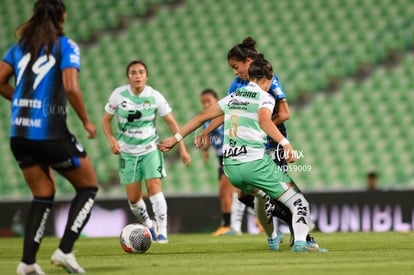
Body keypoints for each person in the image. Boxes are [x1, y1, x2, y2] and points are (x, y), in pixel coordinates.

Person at [159, 56, 326, 252]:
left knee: (262, 199)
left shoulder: (234, 96)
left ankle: (272, 240)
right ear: (268, 78)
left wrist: (175, 138)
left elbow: (201, 116)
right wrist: (286, 143)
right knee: (299, 202)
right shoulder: (266, 98)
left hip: (231, 170)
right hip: (254, 164)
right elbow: (265, 121)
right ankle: (300, 244)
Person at [0, 1, 98, 274]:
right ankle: (65, 250)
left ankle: (28, 263)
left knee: (43, 195)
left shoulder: (18, 47)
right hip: (50, 134)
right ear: (62, 17)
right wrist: (86, 121)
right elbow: (71, 86)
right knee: (88, 186)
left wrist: (21, 102)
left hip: (19, 135)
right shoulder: (65, 45)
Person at [198, 36, 310, 246]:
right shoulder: (237, 84)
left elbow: (285, 113)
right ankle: (280, 232)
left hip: (271, 144)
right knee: (244, 196)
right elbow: (230, 111)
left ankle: (302, 237)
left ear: (248, 63)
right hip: (247, 148)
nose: (234, 71)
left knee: (280, 196)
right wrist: (208, 130)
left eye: (235, 66)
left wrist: (264, 126)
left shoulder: (270, 80)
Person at [102, 60, 191, 244]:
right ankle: (149, 225)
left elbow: (173, 123)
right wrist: (112, 140)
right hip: (127, 153)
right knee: (134, 200)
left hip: (150, 149)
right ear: (128, 77)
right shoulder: (118, 95)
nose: (137, 76)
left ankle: (162, 233)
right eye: (133, 72)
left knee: (154, 189)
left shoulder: (155, 96)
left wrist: (182, 148)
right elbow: (105, 121)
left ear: (146, 76)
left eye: (141, 72)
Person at [199, 89, 245, 236]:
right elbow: (209, 137)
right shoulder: (207, 120)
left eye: (209, 101)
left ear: (217, 101)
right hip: (221, 157)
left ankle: (231, 225)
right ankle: (227, 224)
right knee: (224, 192)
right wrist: (205, 150)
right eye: (203, 102)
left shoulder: (226, 115)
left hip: (232, 154)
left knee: (227, 189)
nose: (206, 104)